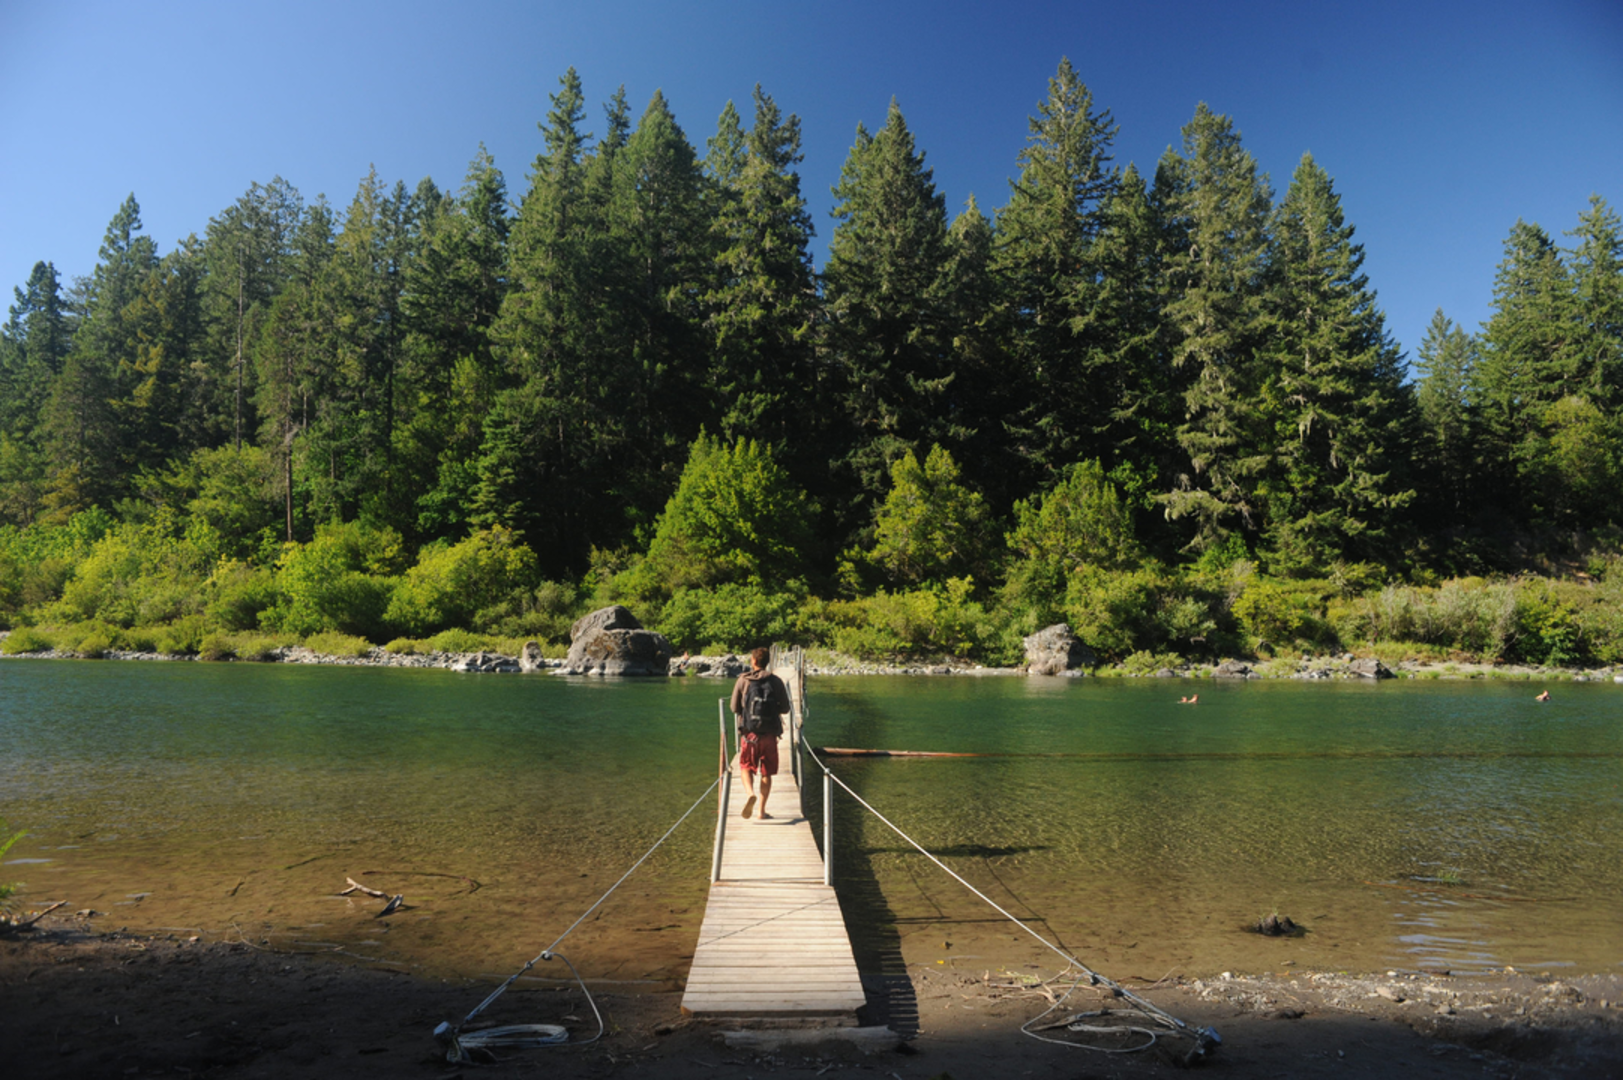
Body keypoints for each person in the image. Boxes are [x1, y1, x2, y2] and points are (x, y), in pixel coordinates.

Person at [730, 647, 790, 820]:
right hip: (770, 735)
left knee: (745, 767)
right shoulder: (776, 681)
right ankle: (761, 812)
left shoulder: (743, 680)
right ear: (768, 662)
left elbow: (734, 708)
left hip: (750, 735)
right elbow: (785, 708)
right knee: (767, 772)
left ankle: (750, 793)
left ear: (754, 661)